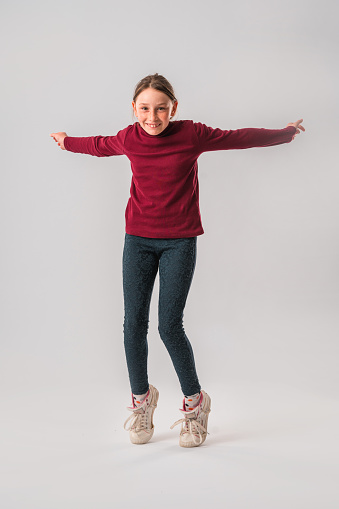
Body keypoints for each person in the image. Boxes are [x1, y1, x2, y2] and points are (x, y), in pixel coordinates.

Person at [50, 73, 305, 448]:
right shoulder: (129, 137)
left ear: (174, 108)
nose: (152, 118)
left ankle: (195, 403)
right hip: (137, 241)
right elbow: (99, 144)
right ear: (134, 109)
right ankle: (141, 400)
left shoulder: (192, 135)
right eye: (144, 109)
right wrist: (68, 142)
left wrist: (283, 133)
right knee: (132, 324)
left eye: (161, 109)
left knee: (169, 326)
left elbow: (239, 138)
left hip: (179, 242)